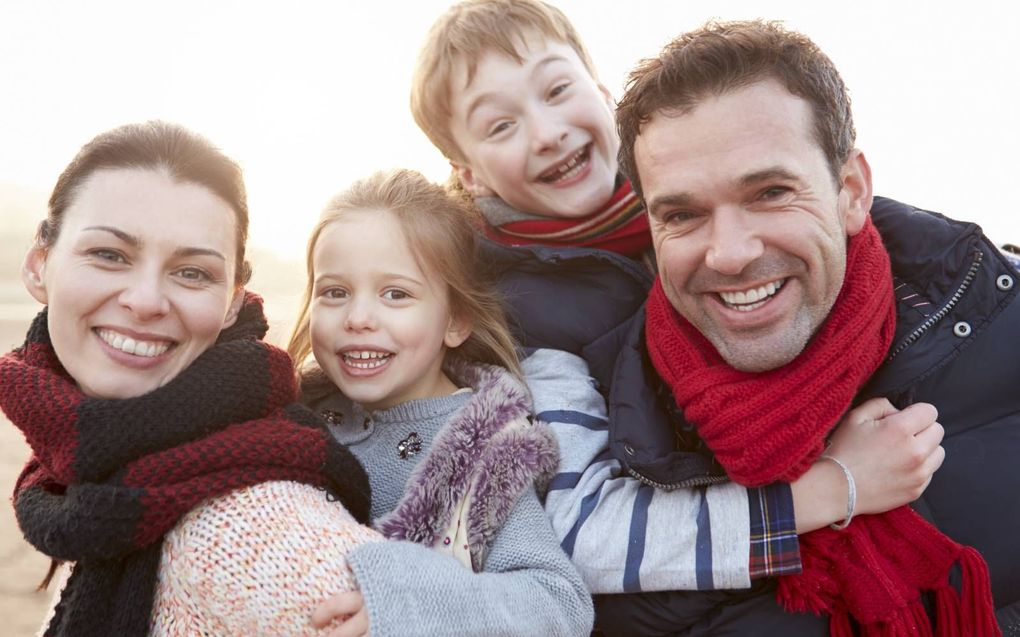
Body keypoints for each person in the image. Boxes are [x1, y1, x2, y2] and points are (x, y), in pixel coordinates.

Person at [411, 3, 953, 634]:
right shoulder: (519, 314)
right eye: (501, 125)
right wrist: (831, 489)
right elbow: (580, 528)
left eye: (558, 90)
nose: (548, 131)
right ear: (468, 173)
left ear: (602, 92)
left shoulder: (716, 201)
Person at [602, 18, 1018, 635]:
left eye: (770, 192)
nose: (731, 253)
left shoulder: (999, 325)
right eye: (683, 214)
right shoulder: (604, 446)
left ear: (850, 190)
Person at [0, 121, 380, 637]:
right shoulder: (100, 475)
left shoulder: (256, 532)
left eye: (192, 272)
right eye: (109, 255)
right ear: (39, 264)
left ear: (234, 303)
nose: (146, 301)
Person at [285, 169, 594, 637]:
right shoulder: (289, 414)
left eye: (396, 294)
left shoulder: (483, 453)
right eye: (335, 292)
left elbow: (558, 602)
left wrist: (410, 602)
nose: (359, 317)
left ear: (455, 320)